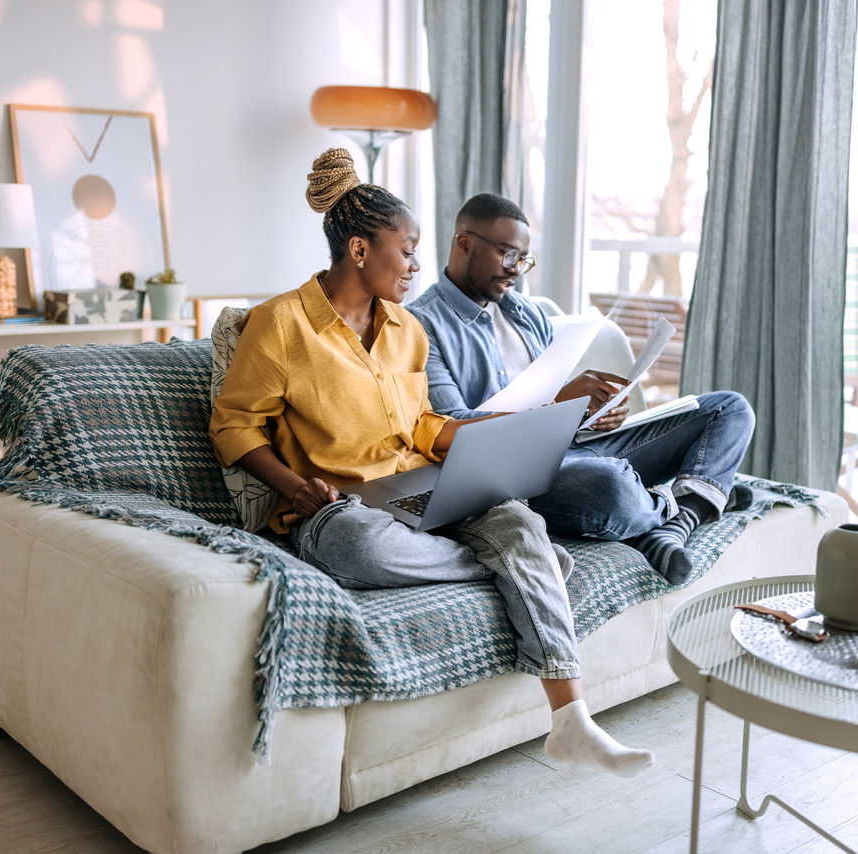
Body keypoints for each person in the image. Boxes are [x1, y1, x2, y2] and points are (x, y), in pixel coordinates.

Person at [209, 149, 652, 778]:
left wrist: (481, 438)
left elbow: (418, 424)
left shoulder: (405, 331)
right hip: (339, 507)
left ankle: (570, 719)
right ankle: (522, 571)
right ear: (360, 251)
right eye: (408, 249)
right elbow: (233, 425)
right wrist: (294, 486)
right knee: (360, 548)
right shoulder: (280, 324)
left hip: (423, 483)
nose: (418, 265)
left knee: (518, 520)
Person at [407, 193, 755, 585]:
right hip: (512, 476)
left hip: (575, 450)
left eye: (524, 259)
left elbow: (559, 411)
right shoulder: (420, 326)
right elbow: (450, 428)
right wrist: (558, 404)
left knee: (729, 408)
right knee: (611, 485)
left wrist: (591, 414)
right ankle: (696, 500)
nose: (517, 270)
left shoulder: (528, 313)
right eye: (508, 255)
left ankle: (673, 521)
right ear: (464, 243)